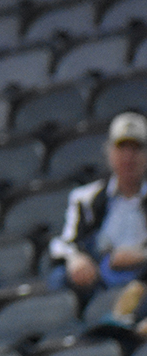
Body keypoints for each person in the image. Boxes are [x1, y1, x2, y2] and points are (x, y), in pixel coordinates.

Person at [55, 112, 147, 303]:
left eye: (136, 148)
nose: (128, 157)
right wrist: (76, 260)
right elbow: (64, 243)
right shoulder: (86, 198)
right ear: (109, 153)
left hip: (142, 276)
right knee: (59, 277)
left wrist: (139, 257)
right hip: (100, 277)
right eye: (122, 148)